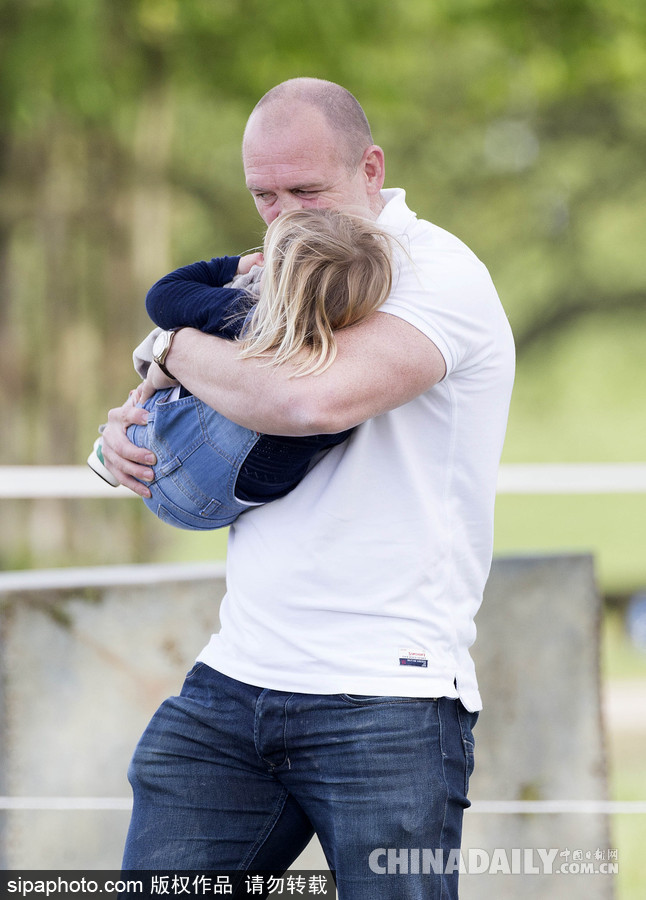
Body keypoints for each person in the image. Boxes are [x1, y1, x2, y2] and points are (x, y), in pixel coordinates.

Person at [101, 77, 515, 899]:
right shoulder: (285, 265)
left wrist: (167, 343)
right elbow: (223, 402)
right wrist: (125, 437)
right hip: (233, 682)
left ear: (371, 168)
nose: (286, 215)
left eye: (307, 190)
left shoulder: (440, 275)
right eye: (264, 195)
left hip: (387, 697)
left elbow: (305, 398)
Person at [88, 208, 394, 530]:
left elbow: (162, 297)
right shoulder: (343, 370)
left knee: (195, 349)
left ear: (278, 277)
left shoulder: (241, 314)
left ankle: (129, 426)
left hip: (161, 469)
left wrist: (232, 266)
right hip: (224, 506)